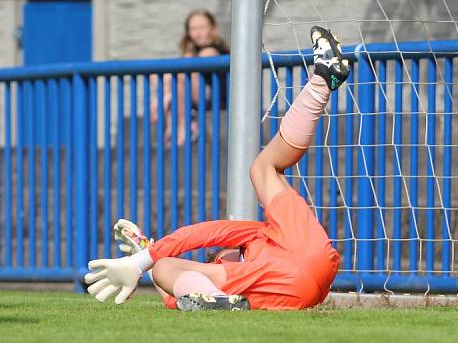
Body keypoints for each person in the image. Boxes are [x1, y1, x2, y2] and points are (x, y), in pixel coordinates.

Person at [86, 26, 350, 311]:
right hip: (315, 262)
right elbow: (189, 274)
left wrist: (144, 259)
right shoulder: (257, 243)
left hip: (300, 283)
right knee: (263, 169)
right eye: (214, 260)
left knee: (166, 267)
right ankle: (321, 82)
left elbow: (196, 251)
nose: (216, 257)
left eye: (215, 258)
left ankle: (321, 80)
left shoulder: (258, 237)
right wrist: (144, 262)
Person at [155, 9, 230, 146]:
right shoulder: (191, 52)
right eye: (193, 28)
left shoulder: (212, 49)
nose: (197, 33)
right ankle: (181, 128)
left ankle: (177, 122)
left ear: (213, 29)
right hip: (199, 97)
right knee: (170, 79)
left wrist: (162, 97)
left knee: (178, 75)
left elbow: (192, 67)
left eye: (202, 27)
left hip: (219, 99)